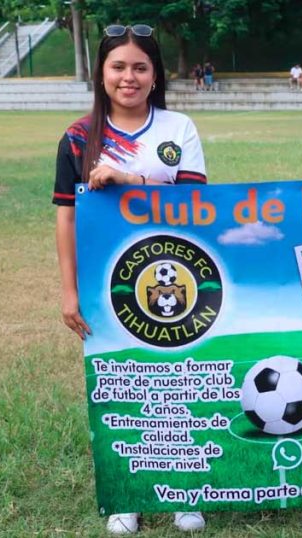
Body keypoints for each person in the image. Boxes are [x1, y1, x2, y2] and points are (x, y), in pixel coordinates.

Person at [52, 23, 208, 535]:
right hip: (109, 286)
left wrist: (131, 180)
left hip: (179, 278)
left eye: (140, 67)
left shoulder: (178, 128)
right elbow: (66, 218)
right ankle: (128, 493)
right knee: (123, 383)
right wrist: (70, 292)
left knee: (181, 380)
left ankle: (186, 490)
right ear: (101, 73)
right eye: (118, 66)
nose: (129, 77)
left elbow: (197, 205)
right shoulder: (79, 137)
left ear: (155, 74)